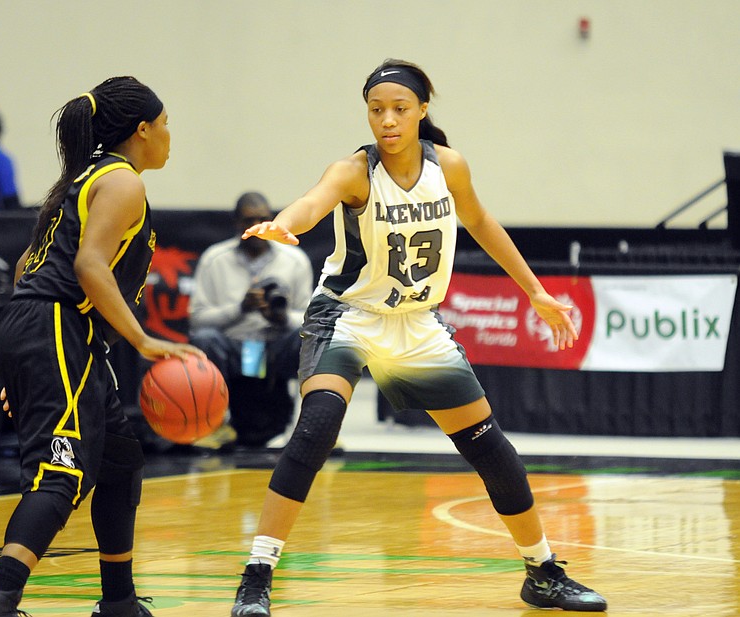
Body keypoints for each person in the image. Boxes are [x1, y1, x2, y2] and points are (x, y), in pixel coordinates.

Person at [230, 59, 607, 615]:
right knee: (316, 429)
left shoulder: (448, 166)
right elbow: (312, 203)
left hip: (417, 323)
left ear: (422, 111)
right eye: (376, 110)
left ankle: (542, 571)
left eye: (399, 109)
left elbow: (482, 224)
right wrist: (286, 223)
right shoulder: (355, 171)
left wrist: (535, 291)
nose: (387, 120)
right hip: (348, 316)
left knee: (490, 448)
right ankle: (257, 575)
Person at [0, 76, 203, 617]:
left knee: (119, 460)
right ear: (142, 130)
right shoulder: (122, 182)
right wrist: (140, 339)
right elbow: (88, 265)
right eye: (165, 125)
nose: (169, 135)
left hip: (50, 334)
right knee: (61, 475)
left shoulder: (83, 177)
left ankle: (119, 602)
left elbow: (27, 265)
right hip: (56, 329)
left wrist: (28, 367)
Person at [188, 191, 313, 448]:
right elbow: (197, 320)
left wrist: (280, 318)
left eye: (263, 219)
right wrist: (239, 309)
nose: (257, 227)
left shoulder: (294, 260)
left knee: (315, 339)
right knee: (204, 339)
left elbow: (310, 320)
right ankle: (214, 426)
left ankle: (312, 428)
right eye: (249, 220)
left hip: (274, 346)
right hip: (234, 347)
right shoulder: (215, 259)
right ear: (236, 222)